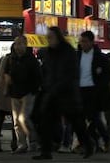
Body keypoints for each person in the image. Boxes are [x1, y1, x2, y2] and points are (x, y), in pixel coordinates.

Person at [34, 27, 93, 160]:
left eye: (51, 37)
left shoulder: (68, 51)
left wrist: (57, 86)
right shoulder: (49, 52)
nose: (49, 40)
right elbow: (49, 72)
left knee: (76, 123)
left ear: (58, 37)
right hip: (53, 93)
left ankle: (88, 145)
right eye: (48, 37)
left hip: (67, 94)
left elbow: (70, 74)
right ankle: (46, 151)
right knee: (46, 122)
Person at [4, 36, 41, 154]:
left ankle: (33, 140)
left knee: (23, 118)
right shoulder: (11, 59)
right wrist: (7, 82)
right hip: (15, 92)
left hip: (28, 92)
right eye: (16, 44)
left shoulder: (31, 59)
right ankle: (22, 144)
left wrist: (34, 89)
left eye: (20, 44)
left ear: (25, 45)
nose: (17, 46)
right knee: (16, 121)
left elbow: (38, 76)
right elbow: (6, 73)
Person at [77, 31, 110, 151]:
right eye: (81, 41)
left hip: (94, 90)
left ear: (91, 42)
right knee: (83, 118)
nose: (82, 44)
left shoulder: (99, 56)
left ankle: (103, 140)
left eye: (85, 41)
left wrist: (101, 83)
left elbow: (107, 73)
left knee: (94, 117)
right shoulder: (78, 56)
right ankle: (97, 141)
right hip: (80, 89)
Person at [0, 47, 17, 152]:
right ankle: (14, 143)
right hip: (12, 92)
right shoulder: (15, 61)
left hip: (1, 92)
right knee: (15, 120)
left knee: (0, 119)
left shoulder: (2, 59)